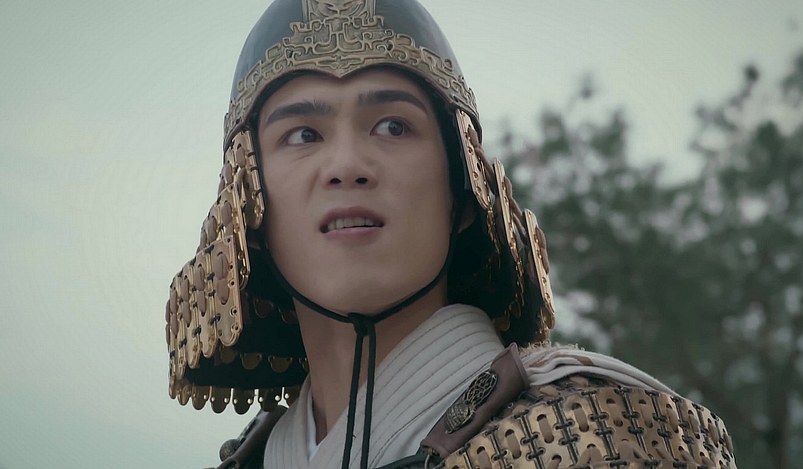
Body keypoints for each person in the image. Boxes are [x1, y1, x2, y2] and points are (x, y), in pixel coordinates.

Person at [164, 1, 737, 468]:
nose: (346, 165)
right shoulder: (252, 460)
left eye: (393, 126)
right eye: (302, 134)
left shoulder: (605, 434)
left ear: (463, 194)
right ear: (249, 212)